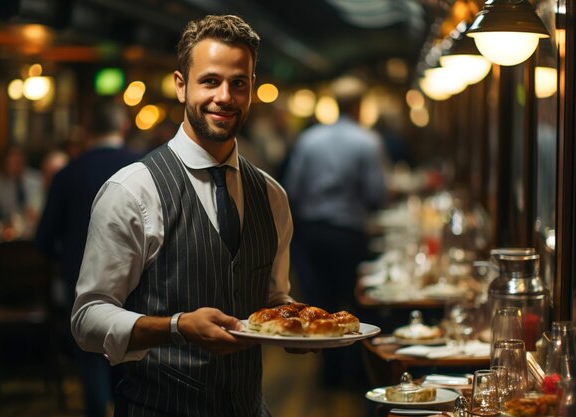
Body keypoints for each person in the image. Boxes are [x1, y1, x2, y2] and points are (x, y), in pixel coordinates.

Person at [71, 15, 296, 417]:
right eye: (210, 81)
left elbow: (273, 297)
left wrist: (299, 324)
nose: (224, 96)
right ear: (181, 85)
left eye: (238, 83)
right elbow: (88, 319)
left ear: (251, 90)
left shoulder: (272, 196)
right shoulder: (132, 191)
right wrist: (176, 326)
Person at [35, 97, 139, 417]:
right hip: (137, 283)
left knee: (91, 360)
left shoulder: (68, 174)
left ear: (87, 131)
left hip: (81, 286)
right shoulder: (145, 167)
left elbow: (43, 239)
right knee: (133, 365)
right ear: (123, 126)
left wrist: (69, 263)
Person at [283, 74, 387, 387]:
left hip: (313, 232)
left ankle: (328, 373)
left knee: (319, 302)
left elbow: (292, 188)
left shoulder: (309, 139)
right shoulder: (367, 141)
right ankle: (353, 373)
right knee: (351, 304)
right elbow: (377, 193)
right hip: (349, 231)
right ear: (358, 105)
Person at [0, 145, 43, 228]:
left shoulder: (37, 180)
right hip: (5, 233)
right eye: (14, 163)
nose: (17, 167)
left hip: (33, 231)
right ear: (5, 163)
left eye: (20, 162)